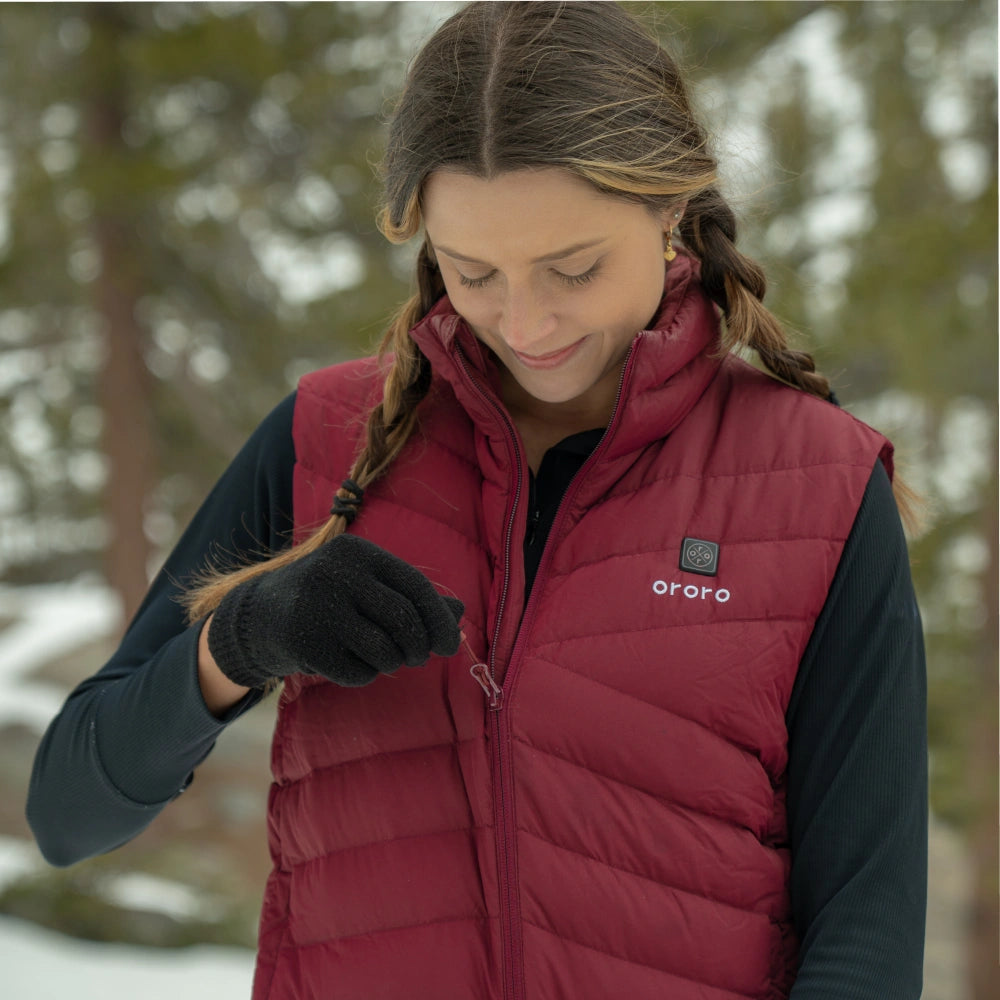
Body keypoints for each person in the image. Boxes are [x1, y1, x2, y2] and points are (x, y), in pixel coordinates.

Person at [26, 3, 927, 998]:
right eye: (475, 273)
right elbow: (68, 813)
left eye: (573, 268)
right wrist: (239, 638)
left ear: (668, 210)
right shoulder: (326, 439)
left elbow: (868, 928)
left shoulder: (817, 483)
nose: (525, 323)